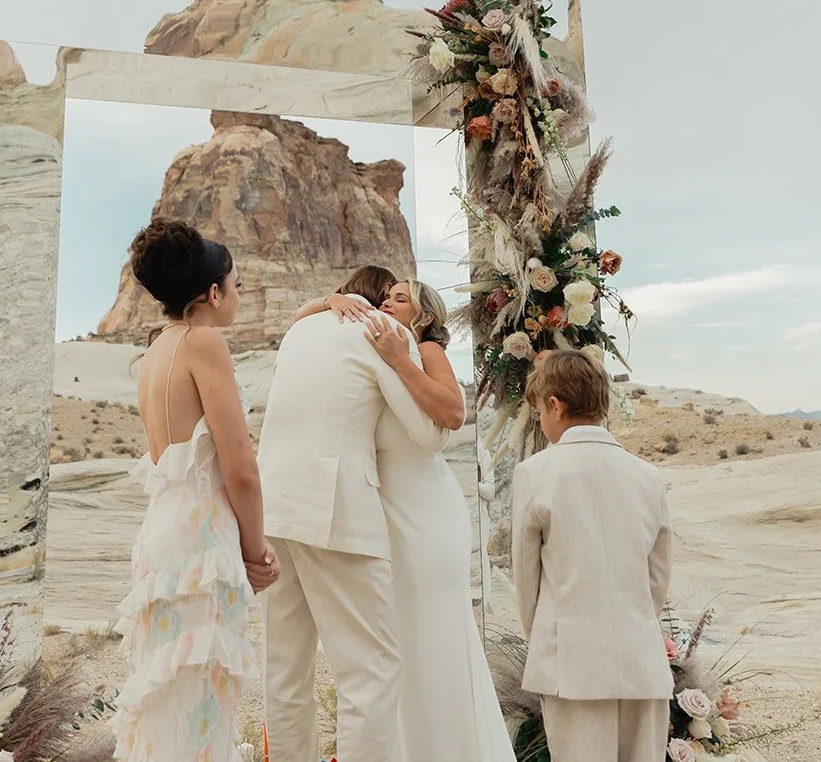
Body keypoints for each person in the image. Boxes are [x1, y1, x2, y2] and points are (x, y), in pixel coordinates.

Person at [258, 266, 451, 762]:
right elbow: (430, 434)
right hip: (336, 512)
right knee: (370, 671)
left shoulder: (301, 329)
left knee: (284, 671)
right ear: (379, 298)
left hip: (274, 507)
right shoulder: (382, 331)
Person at [110, 219, 279, 762]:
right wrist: (256, 552)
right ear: (212, 294)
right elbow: (241, 467)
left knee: (167, 702)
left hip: (160, 538)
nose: (239, 295)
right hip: (203, 544)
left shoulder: (156, 351)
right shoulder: (205, 343)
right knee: (202, 709)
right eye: (235, 285)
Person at [361, 280, 516, 762]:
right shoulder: (380, 349)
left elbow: (452, 412)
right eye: (384, 296)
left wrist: (399, 359)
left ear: (424, 316)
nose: (387, 302)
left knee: (432, 635)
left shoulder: (425, 349)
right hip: (389, 510)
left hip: (426, 513)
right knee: (400, 638)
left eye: (400, 298)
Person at [510, 349, 673, 762]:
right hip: (641, 661)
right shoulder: (648, 477)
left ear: (555, 404)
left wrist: (547, 638)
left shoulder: (535, 474)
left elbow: (526, 580)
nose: (541, 423)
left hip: (572, 663)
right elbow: (657, 579)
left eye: (540, 413)